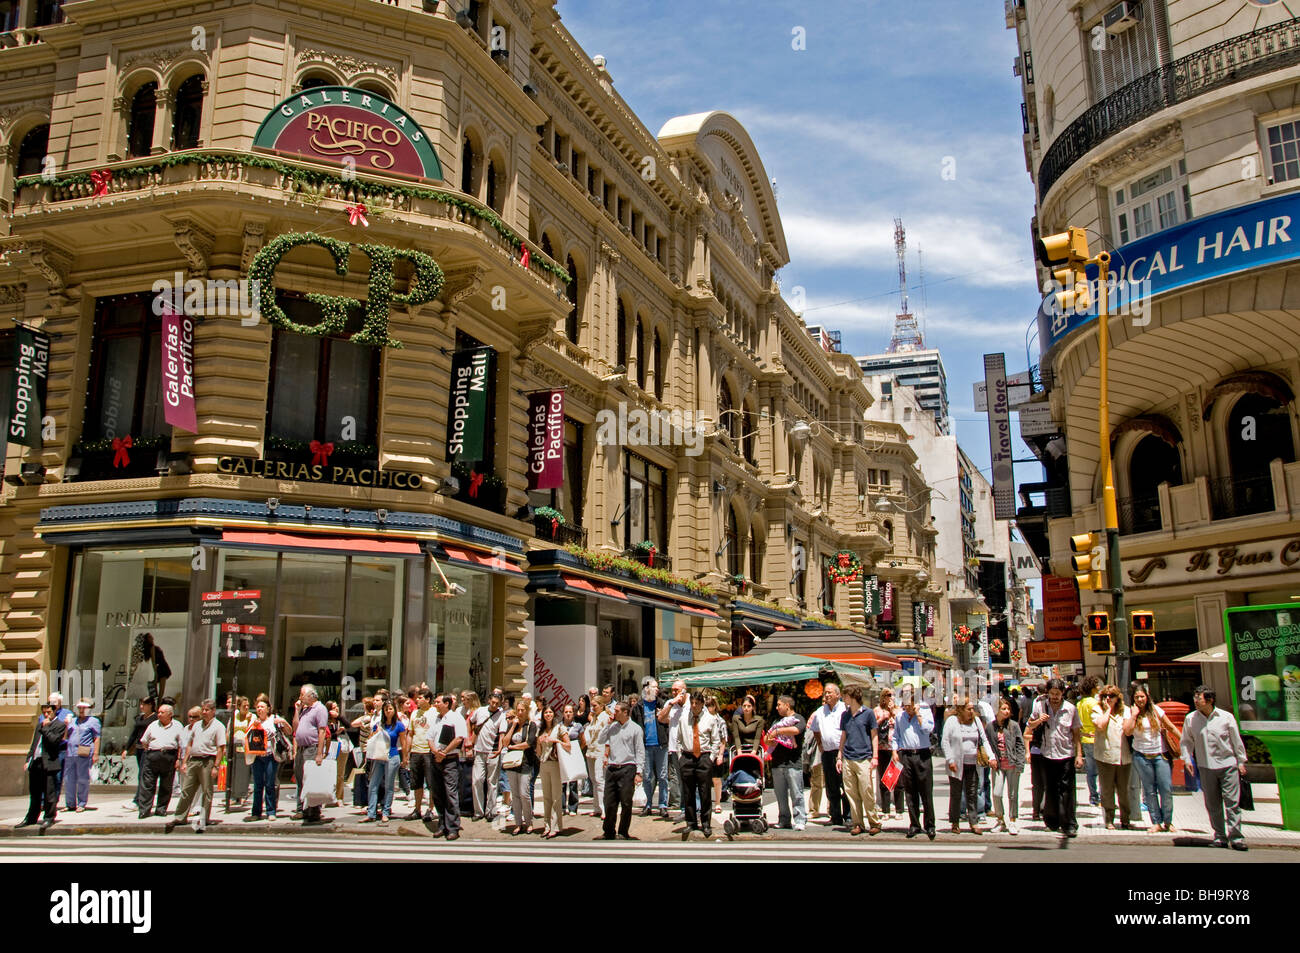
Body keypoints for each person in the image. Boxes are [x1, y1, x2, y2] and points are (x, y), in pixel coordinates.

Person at [1181, 685, 1248, 851]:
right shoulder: (1191, 719)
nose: (1196, 701)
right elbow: (1186, 741)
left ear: (1210, 700)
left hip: (1228, 765)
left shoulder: (1226, 717)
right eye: (1195, 698)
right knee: (1212, 803)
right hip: (1205, 766)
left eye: (1199, 698)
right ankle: (1219, 836)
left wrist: (1241, 761)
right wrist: (1187, 758)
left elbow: (1236, 740)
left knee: (1232, 803)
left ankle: (1236, 837)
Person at [1027, 677, 1083, 837]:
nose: (1054, 697)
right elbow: (1029, 726)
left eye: (1057, 693)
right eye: (1052, 693)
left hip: (1066, 754)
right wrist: (1039, 720)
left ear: (1063, 693)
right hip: (1047, 754)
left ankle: (1069, 823)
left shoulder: (1071, 709)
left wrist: (1079, 754)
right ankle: (1052, 821)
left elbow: (1076, 733)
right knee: (1050, 789)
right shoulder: (1040, 706)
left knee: (1067, 790)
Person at [1124, 683, 1180, 832]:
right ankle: (1156, 822)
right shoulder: (1130, 712)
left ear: (1147, 697)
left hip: (1160, 755)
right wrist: (1134, 715)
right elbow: (1128, 732)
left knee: (1166, 789)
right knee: (1149, 791)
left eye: (1142, 696)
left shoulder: (1156, 710)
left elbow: (1170, 727)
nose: (1140, 700)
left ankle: (1168, 821)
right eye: (1136, 697)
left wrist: (1185, 741)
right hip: (1141, 756)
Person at [166, 698, 226, 833]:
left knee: (207, 791)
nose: (204, 712)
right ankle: (180, 816)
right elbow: (189, 744)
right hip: (194, 760)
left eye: (207, 710)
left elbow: (221, 748)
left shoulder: (218, 726)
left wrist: (216, 766)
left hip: (208, 760)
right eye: (203, 709)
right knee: (187, 789)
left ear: (213, 711)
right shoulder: (197, 725)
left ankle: (203, 818)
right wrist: (185, 761)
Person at [942, 696, 994, 835]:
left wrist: (991, 757)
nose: (972, 711)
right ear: (961, 709)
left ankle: (973, 821)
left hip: (973, 763)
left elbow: (984, 740)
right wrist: (950, 760)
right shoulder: (952, 721)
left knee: (972, 793)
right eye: (969, 709)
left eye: (972, 709)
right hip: (957, 764)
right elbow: (945, 741)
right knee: (956, 794)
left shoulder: (976, 721)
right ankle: (955, 822)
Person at [891, 686, 936, 840]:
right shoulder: (900, 717)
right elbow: (896, 735)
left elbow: (928, 729)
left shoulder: (925, 711)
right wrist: (894, 751)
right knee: (910, 792)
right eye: (905, 705)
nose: (907, 708)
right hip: (907, 755)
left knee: (926, 791)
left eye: (909, 704)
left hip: (922, 754)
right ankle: (914, 824)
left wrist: (918, 715)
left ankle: (930, 825)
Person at [677, 691, 724, 838]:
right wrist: (680, 757)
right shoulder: (683, 719)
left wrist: (711, 758)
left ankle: (706, 823)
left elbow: (716, 740)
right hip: (688, 756)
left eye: (697, 703)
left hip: (703, 756)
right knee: (688, 791)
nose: (694, 706)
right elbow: (678, 739)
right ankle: (690, 822)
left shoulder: (710, 719)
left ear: (702, 704)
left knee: (704, 792)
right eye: (692, 703)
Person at [838, 685, 882, 836]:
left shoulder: (868, 713)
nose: (843, 699)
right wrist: (839, 756)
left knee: (866, 791)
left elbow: (874, 735)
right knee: (851, 792)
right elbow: (843, 736)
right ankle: (858, 823)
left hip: (864, 757)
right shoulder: (845, 715)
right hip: (848, 757)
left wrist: (875, 756)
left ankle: (874, 822)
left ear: (852, 697)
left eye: (845, 696)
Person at [597, 700, 644, 840]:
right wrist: (608, 724)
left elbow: (640, 751)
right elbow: (600, 740)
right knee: (609, 802)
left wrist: (639, 772)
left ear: (625, 712)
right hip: (612, 767)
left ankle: (623, 831)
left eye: (617, 711)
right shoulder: (612, 727)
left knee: (626, 802)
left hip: (627, 767)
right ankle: (608, 831)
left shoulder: (635, 729)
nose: (614, 713)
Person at [18, 703, 68, 829]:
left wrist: (46, 728)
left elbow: (54, 741)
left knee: (49, 792)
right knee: (34, 793)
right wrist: (28, 759)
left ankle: (49, 817)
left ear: (54, 711)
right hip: (36, 762)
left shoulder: (60, 725)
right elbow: (34, 745)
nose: (46, 715)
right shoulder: (39, 725)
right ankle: (31, 817)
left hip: (49, 762)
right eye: (44, 712)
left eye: (48, 712)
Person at [1091, 684, 1132, 830]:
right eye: (1105, 696)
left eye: (1112, 696)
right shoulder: (1097, 710)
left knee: (1123, 789)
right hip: (1105, 755)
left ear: (1118, 697)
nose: (1108, 698)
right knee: (1107, 789)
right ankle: (1109, 819)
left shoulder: (1126, 710)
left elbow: (1128, 730)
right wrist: (1108, 709)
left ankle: (1125, 818)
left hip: (1123, 755)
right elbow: (1100, 725)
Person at [808, 683, 849, 828]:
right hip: (827, 752)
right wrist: (820, 745)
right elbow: (815, 729)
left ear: (838, 695)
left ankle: (848, 815)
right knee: (831, 787)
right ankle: (835, 815)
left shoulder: (845, 709)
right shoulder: (820, 711)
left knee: (845, 785)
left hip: (843, 752)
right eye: (825, 692)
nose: (827, 695)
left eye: (830, 692)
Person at [763, 695, 805, 831]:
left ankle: (800, 819)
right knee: (780, 795)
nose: (777, 707)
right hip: (777, 763)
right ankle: (784, 819)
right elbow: (767, 738)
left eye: (779, 704)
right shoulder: (776, 721)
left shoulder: (798, 718)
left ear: (787, 705)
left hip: (793, 763)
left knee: (796, 793)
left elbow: (796, 730)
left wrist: (778, 731)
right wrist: (771, 738)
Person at [630, 676, 671, 817]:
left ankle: (663, 805)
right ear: (647, 689)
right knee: (647, 776)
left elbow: (669, 721)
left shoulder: (662, 704)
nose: (657, 689)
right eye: (654, 687)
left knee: (663, 776)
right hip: (645, 746)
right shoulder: (638, 707)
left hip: (661, 745)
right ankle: (647, 804)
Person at [136, 703, 184, 819]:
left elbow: (182, 745)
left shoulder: (178, 726)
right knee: (147, 784)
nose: (159, 714)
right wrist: (150, 752)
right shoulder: (153, 725)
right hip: (153, 755)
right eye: (159, 712)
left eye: (162, 712)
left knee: (166, 785)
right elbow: (144, 741)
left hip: (169, 756)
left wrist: (179, 759)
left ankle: (161, 809)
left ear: (170, 714)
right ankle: (144, 810)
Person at [429, 693, 467, 839]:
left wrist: (444, 752)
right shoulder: (436, 719)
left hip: (450, 759)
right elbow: (430, 738)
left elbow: (459, 738)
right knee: (437, 793)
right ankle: (442, 824)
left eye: (438, 702)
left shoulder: (456, 718)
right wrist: (435, 751)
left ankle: (453, 827)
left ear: (446, 703)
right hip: (436, 759)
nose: (435, 704)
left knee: (451, 793)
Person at [291, 684, 330, 824]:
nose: (300, 697)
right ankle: (301, 809)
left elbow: (322, 731)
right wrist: (297, 710)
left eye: (302, 695)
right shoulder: (304, 710)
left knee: (311, 780)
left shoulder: (319, 709)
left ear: (311, 695)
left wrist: (320, 753)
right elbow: (295, 727)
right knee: (300, 778)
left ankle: (314, 810)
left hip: (311, 748)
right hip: (301, 748)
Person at [363, 700, 407, 824]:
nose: (388, 711)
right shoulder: (379, 724)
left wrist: (405, 758)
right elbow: (371, 738)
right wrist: (376, 732)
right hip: (378, 756)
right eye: (386, 709)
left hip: (392, 756)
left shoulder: (399, 725)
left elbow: (403, 742)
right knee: (373, 784)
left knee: (389, 785)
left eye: (391, 709)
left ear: (394, 711)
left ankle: (386, 811)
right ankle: (371, 812)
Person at [246, 699, 289, 822]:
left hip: (271, 755)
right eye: (258, 707)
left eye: (262, 706)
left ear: (268, 708)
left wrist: (283, 722)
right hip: (257, 757)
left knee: (270, 784)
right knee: (258, 785)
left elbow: (289, 731)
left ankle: (271, 811)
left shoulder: (274, 719)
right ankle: (256, 812)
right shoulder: (254, 721)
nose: (259, 709)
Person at [988, 696, 1025, 834]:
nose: (1006, 711)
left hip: (1012, 764)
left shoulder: (1014, 725)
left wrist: (1020, 764)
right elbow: (987, 744)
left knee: (1013, 794)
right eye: (1003, 708)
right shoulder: (991, 727)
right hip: (998, 765)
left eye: (1008, 708)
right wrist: (990, 759)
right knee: (997, 793)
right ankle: (1000, 819)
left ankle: (1013, 820)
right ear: (997, 710)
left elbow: (1020, 745)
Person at [503, 700, 538, 835]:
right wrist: (513, 726)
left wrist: (513, 747)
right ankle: (518, 823)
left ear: (527, 711)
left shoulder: (531, 725)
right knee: (515, 795)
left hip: (525, 762)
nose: (520, 712)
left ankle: (528, 822)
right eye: (518, 710)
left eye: (523, 710)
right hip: (512, 763)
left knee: (524, 794)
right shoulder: (512, 724)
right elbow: (505, 742)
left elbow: (528, 743)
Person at [471, 690, 507, 821]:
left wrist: (499, 750)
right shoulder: (480, 711)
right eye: (493, 702)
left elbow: (502, 733)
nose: (494, 705)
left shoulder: (501, 715)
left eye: (497, 703)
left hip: (492, 751)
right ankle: (478, 811)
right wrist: (470, 741)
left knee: (492, 782)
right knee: (477, 780)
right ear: (489, 701)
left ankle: (490, 810)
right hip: (479, 750)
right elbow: (471, 721)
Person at [63, 699, 101, 813]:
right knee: (69, 779)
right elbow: (64, 737)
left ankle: (82, 803)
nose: (81, 710)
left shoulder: (93, 721)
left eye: (84, 708)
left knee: (82, 778)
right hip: (70, 752)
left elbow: (97, 737)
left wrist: (96, 753)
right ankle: (70, 804)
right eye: (79, 708)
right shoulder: (73, 721)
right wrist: (65, 725)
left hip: (84, 752)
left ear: (89, 709)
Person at [404, 689, 436, 821]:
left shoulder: (435, 712)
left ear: (428, 699)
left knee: (431, 783)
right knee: (416, 782)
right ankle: (417, 809)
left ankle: (431, 809)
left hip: (428, 752)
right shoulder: (414, 714)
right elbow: (410, 734)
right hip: (416, 751)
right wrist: (407, 752)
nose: (417, 700)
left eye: (421, 697)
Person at [874, 688, 905, 819]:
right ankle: (885, 809)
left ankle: (899, 810)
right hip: (882, 748)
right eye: (888, 695)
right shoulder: (877, 710)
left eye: (893, 695)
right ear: (883, 697)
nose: (891, 697)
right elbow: (872, 727)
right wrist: (882, 718)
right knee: (884, 780)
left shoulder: (899, 711)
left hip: (896, 749)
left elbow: (903, 726)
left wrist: (893, 712)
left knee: (898, 779)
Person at [536, 706, 567, 838]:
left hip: (555, 764)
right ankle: (547, 826)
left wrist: (556, 740)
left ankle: (556, 826)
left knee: (556, 797)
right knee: (546, 797)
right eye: (546, 712)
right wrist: (539, 742)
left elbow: (568, 745)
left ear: (554, 714)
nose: (548, 714)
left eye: (550, 712)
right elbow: (538, 752)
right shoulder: (541, 730)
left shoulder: (560, 728)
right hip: (544, 763)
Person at [660, 678, 688, 817]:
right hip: (674, 748)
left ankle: (694, 809)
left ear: (684, 690)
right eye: (672, 690)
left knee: (689, 780)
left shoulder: (691, 703)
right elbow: (661, 718)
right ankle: (684, 809)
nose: (673, 692)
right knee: (680, 779)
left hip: (688, 748)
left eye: (676, 690)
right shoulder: (670, 704)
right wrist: (671, 703)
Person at [123, 697, 156, 812]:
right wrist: (127, 749)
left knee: (143, 774)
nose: (142, 707)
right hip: (139, 749)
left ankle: (137, 801)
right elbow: (134, 734)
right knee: (142, 774)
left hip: (148, 749)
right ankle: (143, 799)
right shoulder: (139, 718)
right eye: (141, 704)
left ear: (151, 705)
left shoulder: (155, 718)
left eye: (144, 704)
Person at [583, 697, 611, 818]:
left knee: (600, 780)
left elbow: (608, 735)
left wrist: (606, 753)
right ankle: (596, 807)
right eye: (591, 706)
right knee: (593, 779)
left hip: (600, 750)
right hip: (591, 750)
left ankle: (604, 808)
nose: (592, 708)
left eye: (595, 706)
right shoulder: (593, 718)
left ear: (601, 705)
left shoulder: (605, 717)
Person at [1076, 676, 1101, 808]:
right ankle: (1101, 796)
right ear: (1092, 688)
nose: (1099, 687)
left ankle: (1093, 797)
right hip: (1096, 738)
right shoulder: (1094, 703)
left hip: (1085, 739)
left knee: (1091, 770)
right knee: (1102, 769)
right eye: (1097, 685)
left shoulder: (1079, 704)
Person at [706, 696, 730, 815]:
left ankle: (718, 803)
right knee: (704, 779)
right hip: (705, 752)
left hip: (716, 753)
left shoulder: (720, 721)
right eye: (706, 705)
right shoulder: (703, 719)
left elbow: (723, 739)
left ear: (714, 706)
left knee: (716, 779)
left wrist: (720, 754)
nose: (707, 708)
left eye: (709, 705)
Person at [560, 703, 584, 814]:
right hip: (563, 755)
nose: (568, 714)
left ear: (573, 713)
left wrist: (577, 750)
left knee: (573, 782)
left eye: (570, 712)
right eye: (566, 712)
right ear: (563, 713)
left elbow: (583, 741)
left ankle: (573, 807)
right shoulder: (559, 726)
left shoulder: (578, 726)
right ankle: (562, 807)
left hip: (573, 754)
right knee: (562, 782)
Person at [230, 696, 253, 807]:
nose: (247, 707)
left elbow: (252, 731)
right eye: (244, 706)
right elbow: (229, 731)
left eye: (248, 705)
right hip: (235, 746)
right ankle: (234, 796)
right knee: (234, 772)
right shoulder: (234, 716)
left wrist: (248, 721)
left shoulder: (252, 717)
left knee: (244, 772)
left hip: (246, 747)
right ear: (239, 706)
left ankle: (243, 795)